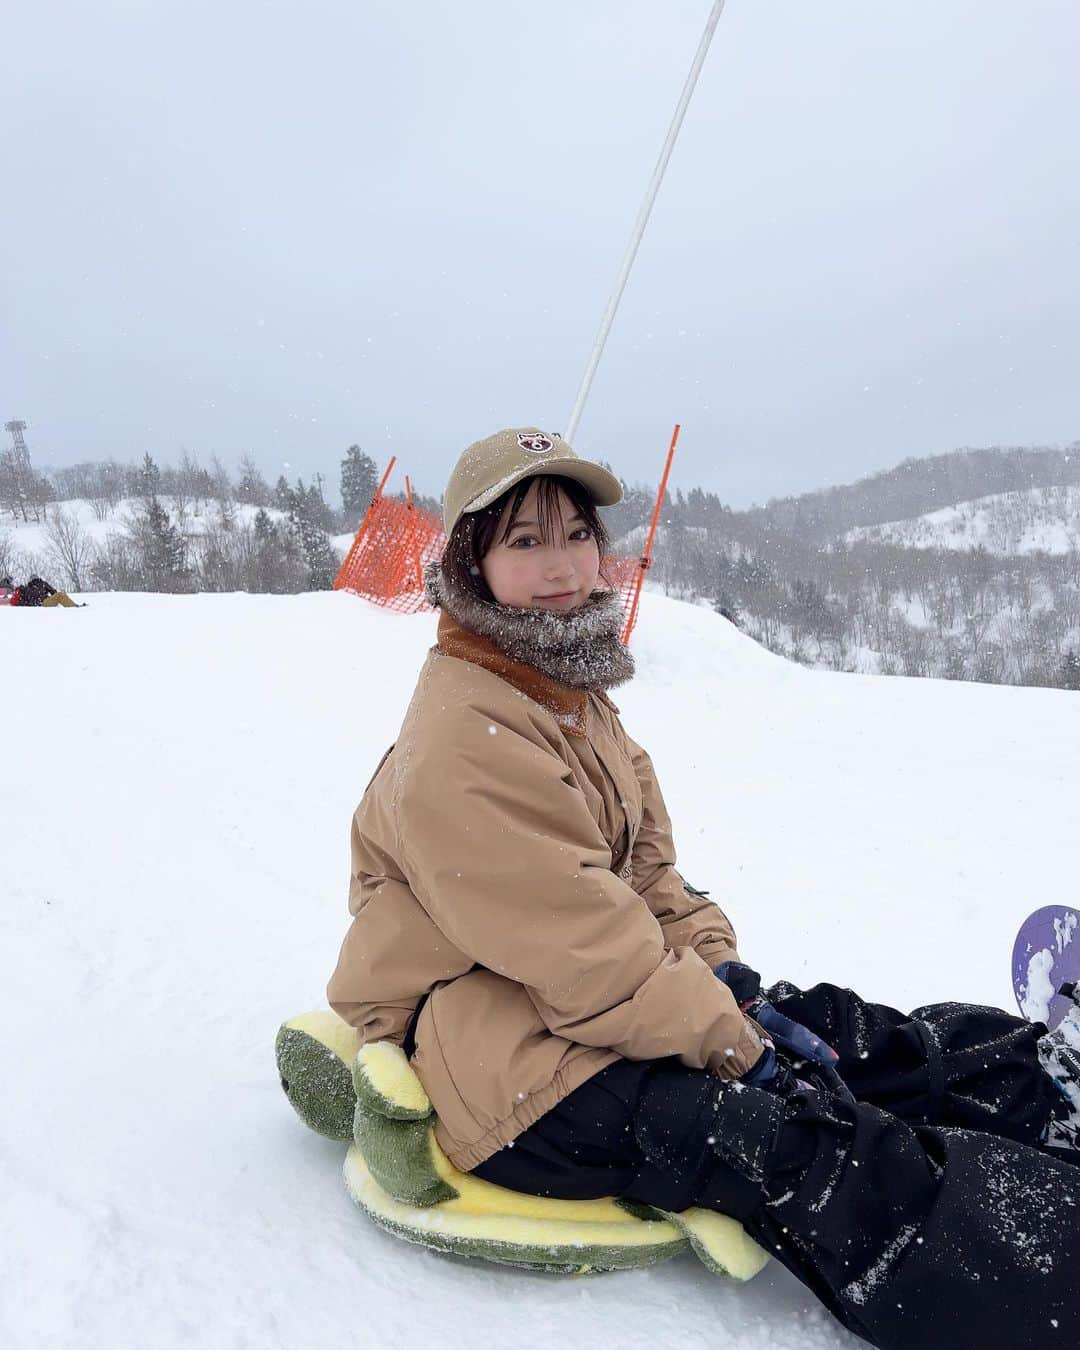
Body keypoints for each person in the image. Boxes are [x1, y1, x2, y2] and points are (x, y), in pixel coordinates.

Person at [328, 427, 1080, 1350]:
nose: (562, 564)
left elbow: (645, 877)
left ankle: (1051, 1088)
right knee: (801, 1145)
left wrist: (732, 984)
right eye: (524, 541)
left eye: (574, 533)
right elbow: (593, 956)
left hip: (571, 998)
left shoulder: (561, 690)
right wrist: (737, 1045)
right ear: (472, 564)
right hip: (507, 1068)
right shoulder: (464, 741)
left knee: (845, 1032)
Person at [9, 575, 80, 607]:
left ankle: (72, 606)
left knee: (60, 595)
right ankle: (73, 607)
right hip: (44, 602)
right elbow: (53, 592)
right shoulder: (42, 583)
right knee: (61, 595)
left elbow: (26, 600)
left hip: (40, 603)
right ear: (38, 578)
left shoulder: (27, 587)